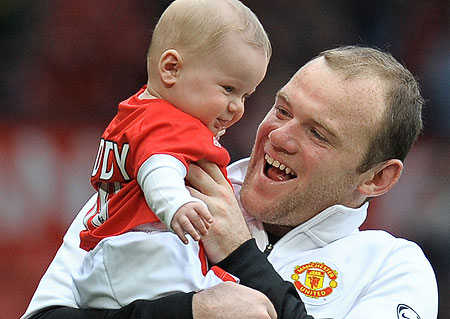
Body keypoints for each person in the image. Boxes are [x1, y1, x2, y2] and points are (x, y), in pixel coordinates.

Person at [22, 46, 438, 319]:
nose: (279, 136)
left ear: (378, 177)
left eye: (318, 134)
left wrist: (240, 258)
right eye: (281, 109)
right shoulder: (163, 185)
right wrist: (189, 312)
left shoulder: (391, 268)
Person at [70, 0, 271, 309]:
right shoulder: (171, 124)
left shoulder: (138, 110)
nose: (237, 107)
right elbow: (158, 167)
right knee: (235, 305)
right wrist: (176, 204)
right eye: (228, 89)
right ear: (171, 69)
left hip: (113, 260)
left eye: (245, 95)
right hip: (146, 259)